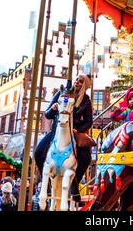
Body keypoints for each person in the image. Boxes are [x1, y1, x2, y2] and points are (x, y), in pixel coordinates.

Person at [34, 74, 93, 203]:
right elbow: (48, 114)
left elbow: (89, 121)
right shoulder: (62, 93)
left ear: (85, 85)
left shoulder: (86, 100)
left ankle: (75, 184)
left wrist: (78, 130)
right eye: (77, 79)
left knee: (86, 158)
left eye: (81, 81)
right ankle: (47, 183)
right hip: (58, 130)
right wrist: (54, 108)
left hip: (73, 131)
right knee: (38, 153)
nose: (77, 82)